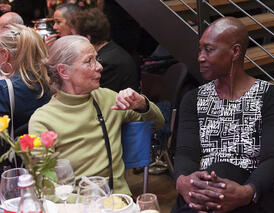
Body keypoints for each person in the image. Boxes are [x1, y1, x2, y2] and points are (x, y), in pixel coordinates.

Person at [172, 17, 274, 213]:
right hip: (202, 189)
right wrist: (183, 181)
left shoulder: (270, 96)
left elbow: (273, 159)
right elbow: (185, 153)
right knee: (215, 177)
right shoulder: (193, 99)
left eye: (209, 50)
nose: (200, 57)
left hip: (255, 192)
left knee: (222, 172)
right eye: (200, 49)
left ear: (235, 52)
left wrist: (247, 192)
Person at [28, 35, 165, 195]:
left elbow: (158, 123)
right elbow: (45, 188)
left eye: (97, 59)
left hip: (118, 202)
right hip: (74, 206)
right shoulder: (43, 120)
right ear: (64, 71)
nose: (99, 66)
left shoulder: (107, 98)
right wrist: (88, 204)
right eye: (89, 61)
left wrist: (142, 104)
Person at [0, 24, 50, 173]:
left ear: (5, 54)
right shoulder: (50, 80)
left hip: (17, 170)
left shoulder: (4, 90)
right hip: (47, 160)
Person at [68, 8, 139, 93]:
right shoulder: (111, 49)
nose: (73, 40)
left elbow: (92, 95)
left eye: (74, 36)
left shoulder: (106, 63)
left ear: (87, 38)